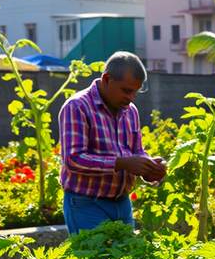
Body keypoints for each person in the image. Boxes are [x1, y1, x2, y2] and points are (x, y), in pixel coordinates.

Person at [58, 51, 166, 234]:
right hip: (86, 204)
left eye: (135, 92)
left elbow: (136, 150)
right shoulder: (77, 106)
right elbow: (73, 159)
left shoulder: (130, 111)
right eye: (126, 90)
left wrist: (148, 168)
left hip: (122, 203)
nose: (131, 97)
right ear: (106, 79)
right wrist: (122, 163)